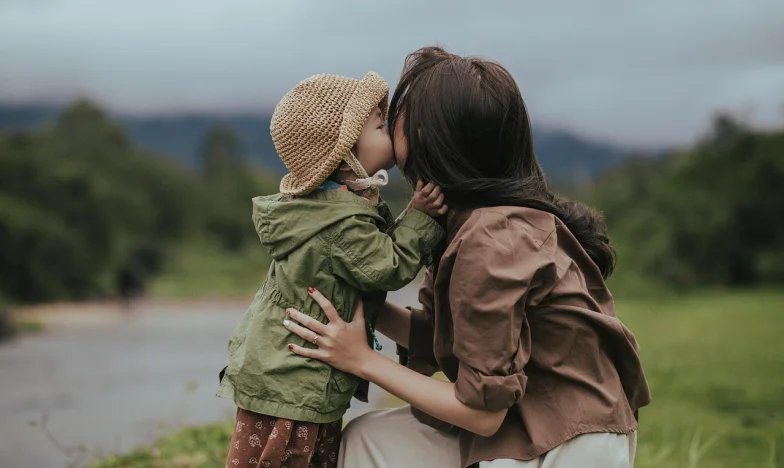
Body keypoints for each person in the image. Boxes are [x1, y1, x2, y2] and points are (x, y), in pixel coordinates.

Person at [283, 47, 652, 468]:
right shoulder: (479, 220)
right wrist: (364, 304)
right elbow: (452, 337)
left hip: (565, 445)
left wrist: (362, 360)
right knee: (368, 439)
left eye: (395, 118)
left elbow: (482, 412)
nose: (387, 126)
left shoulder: (491, 239)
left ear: (428, 135)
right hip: (546, 423)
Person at [217, 71, 447, 468]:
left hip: (289, 373)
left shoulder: (334, 206)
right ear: (345, 156)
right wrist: (422, 219)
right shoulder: (339, 222)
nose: (389, 128)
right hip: (293, 382)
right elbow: (386, 267)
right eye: (379, 125)